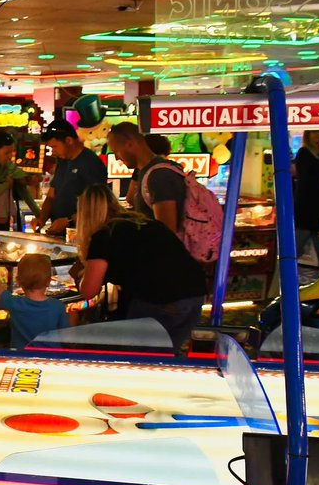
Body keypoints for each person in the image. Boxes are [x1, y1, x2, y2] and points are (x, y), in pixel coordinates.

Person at [72, 184, 206, 353]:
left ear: (85, 214)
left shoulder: (105, 234)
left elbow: (89, 291)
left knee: (137, 358)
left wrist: (82, 273)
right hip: (195, 294)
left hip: (160, 300)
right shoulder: (145, 223)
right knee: (164, 358)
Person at [108, 121, 183, 234]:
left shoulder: (159, 176)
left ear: (129, 144)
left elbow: (167, 236)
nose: (116, 158)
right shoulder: (148, 173)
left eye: (116, 151)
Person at [35, 119, 106, 236]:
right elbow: (51, 196)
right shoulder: (62, 161)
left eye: (54, 147)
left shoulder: (91, 163)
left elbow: (99, 206)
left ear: (69, 141)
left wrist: (68, 221)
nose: (53, 152)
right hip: (58, 233)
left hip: (81, 234)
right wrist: (41, 219)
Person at [0, 251, 70, 349]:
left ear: (18, 281)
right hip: (50, 359)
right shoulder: (57, 306)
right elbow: (65, 336)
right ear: (49, 281)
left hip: (22, 358)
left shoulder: (15, 303)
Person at [0, 130, 40, 230]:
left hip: (1, 219)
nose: (10, 156)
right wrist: (6, 185)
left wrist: (30, 179)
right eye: (6, 152)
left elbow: (22, 180)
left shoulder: (6, 165)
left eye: (12, 152)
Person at [294, 130, 319, 268]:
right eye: (314, 132)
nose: (318, 135)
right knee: (295, 248)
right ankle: (283, 281)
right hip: (305, 207)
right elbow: (304, 179)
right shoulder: (304, 153)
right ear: (308, 134)